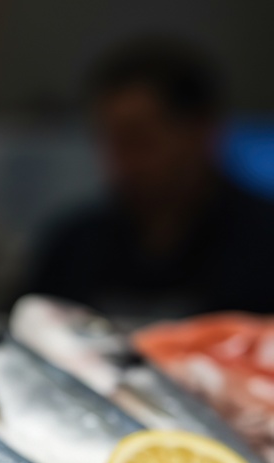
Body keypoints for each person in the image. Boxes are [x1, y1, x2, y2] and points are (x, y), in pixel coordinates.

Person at [23, 38, 274, 317]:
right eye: (111, 140)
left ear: (202, 132)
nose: (124, 161)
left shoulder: (263, 244)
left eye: (139, 139)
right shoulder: (75, 246)